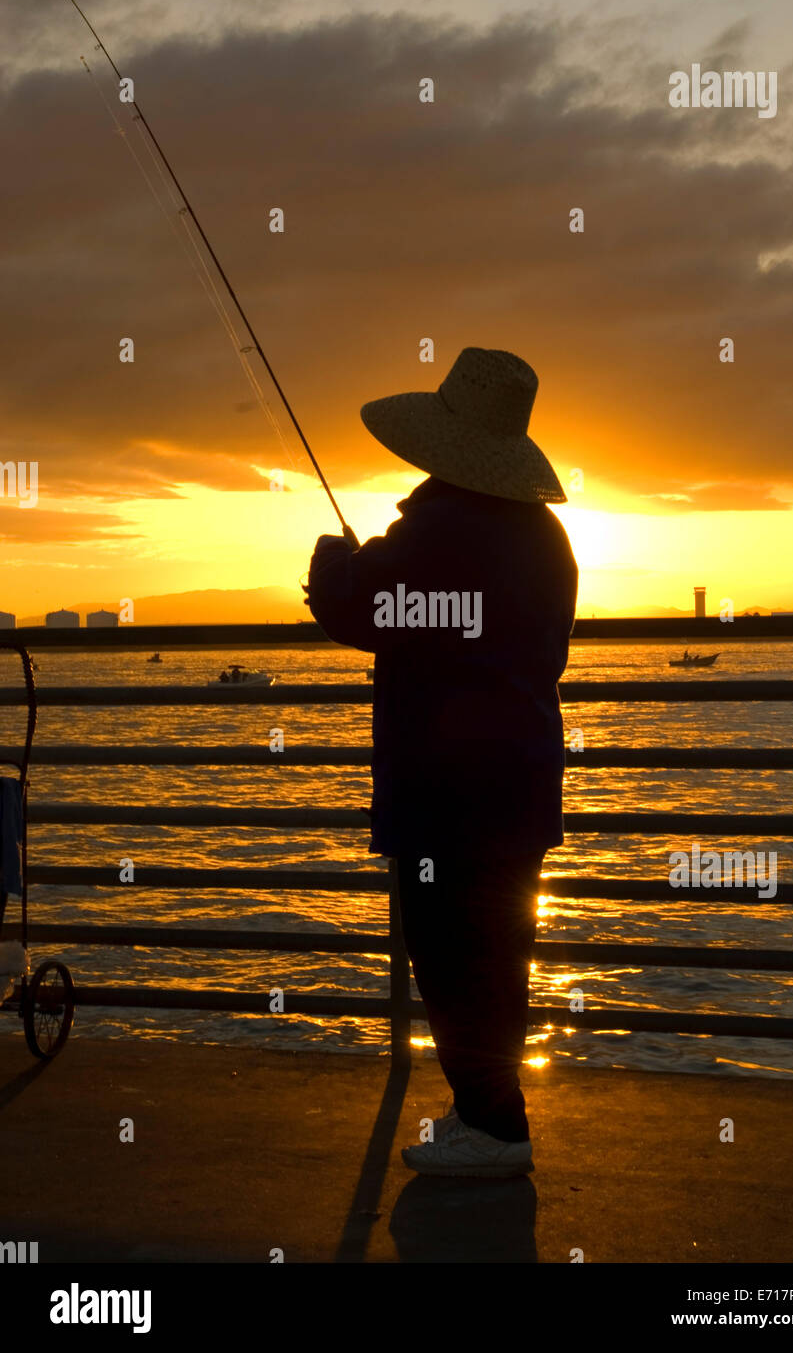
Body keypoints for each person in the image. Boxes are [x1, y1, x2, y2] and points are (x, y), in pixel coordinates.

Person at [307, 347, 577, 1178]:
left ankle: (493, 1130)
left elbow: (353, 604)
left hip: (446, 788)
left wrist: (330, 551)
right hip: (520, 779)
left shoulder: (442, 527)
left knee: (451, 958)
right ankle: (489, 1116)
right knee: (498, 954)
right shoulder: (545, 537)